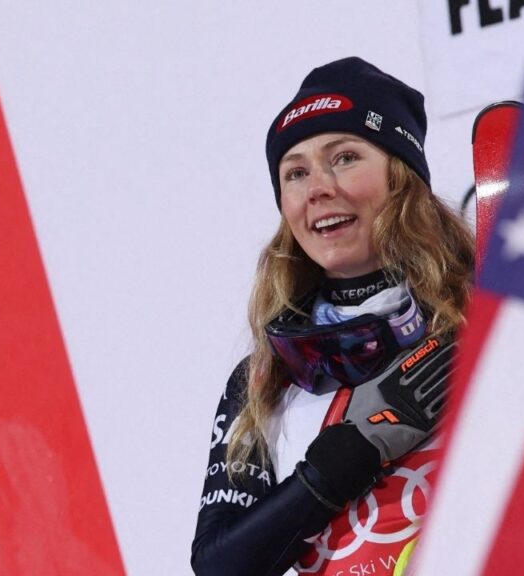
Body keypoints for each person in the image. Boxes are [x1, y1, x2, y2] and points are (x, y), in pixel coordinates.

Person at [191, 57, 475, 576]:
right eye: (295, 172)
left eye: (344, 157)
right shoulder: (265, 377)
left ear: (401, 176)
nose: (317, 187)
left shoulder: (481, 325)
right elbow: (218, 567)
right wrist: (340, 464)